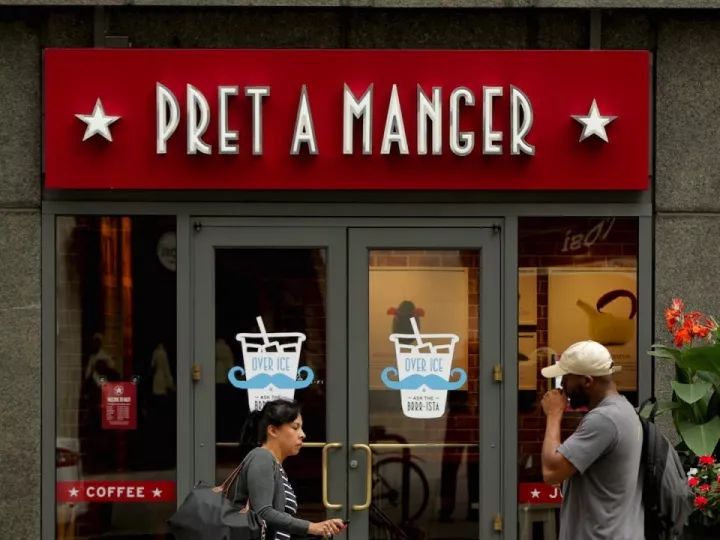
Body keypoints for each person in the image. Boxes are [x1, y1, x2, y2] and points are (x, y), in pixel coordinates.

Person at [540, 340, 643, 540]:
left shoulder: (604, 419)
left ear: (587, 381)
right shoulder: (622, 410)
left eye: (566, 378)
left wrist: (553, 414)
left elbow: (551, 472)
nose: (562, 386)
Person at [236, 399, 346, 539]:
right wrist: (312, 527)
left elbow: (280, 526)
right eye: (295, 427)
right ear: (273, 431)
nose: (302, 434)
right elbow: (263, 513)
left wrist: (321, 528)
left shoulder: (275, 465)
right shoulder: (262, 457)